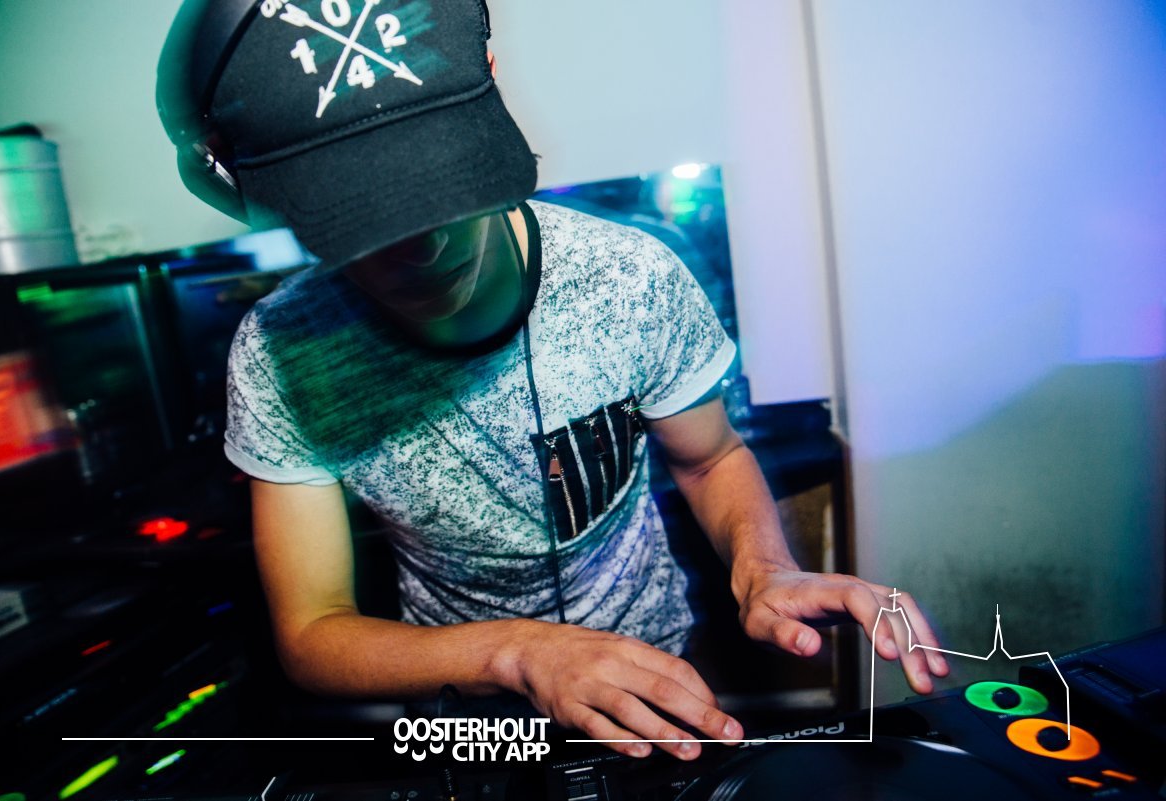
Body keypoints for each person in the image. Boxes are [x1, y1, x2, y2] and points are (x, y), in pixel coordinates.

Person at [157, 0, 949, 760]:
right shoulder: (279, 353)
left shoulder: (629, 278)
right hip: (462, 715)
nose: (423, 247)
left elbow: (710, 459)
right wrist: (521, 652)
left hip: (656, 680)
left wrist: (763, 568)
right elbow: (310, 631)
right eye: (359, 214)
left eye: (435, 179)